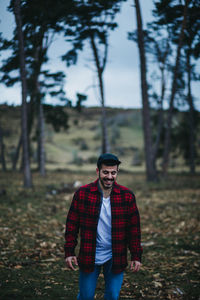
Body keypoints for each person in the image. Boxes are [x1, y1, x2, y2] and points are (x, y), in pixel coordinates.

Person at [64, 153, 143, 300]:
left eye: (113, 173)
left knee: (112, 295)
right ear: (97, 171)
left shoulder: (126, 196)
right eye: (105, 172)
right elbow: (72, 225)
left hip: (116, 254)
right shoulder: (83, 194)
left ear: (117, 172)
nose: (110, 177)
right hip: (89, 253)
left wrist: (136, 255)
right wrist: (69, 252)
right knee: (86, 296)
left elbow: (134, 229)